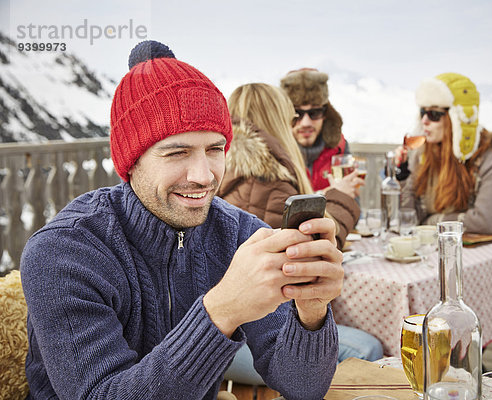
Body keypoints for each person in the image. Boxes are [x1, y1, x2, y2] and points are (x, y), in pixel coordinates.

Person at [19, 41, 342, 400]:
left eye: (214, 149)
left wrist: (311, 309)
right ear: (131, 161)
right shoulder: (63, 253)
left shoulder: (240, 234)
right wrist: (223, 309)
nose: (204, 176)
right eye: (177, 152)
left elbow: (303, 385)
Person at [218, 83, 383, 385]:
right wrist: (342, 198)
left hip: (213, 327)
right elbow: (303, 260)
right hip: (242, 337)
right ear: (279, 120)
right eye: (292, 117)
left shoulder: (225, 166)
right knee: (367, 348)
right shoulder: (271, 178)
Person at [396, 72, 492, 234]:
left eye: (434, 114)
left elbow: (483, 223)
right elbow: (410, 219)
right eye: (422, 112)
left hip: (485, 249)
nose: (425, 120)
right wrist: (402, 177)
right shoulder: (423, 154)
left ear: (457, 119)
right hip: (435, 247)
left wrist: (431, 221)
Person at [280, 68, 361, 196]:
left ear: (325, 114)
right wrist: (329, 194)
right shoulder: (273, 153)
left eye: (314, 113)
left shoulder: (339, 148)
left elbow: (353, 203)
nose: (306, 123)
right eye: (297, 114)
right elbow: (278, 209)